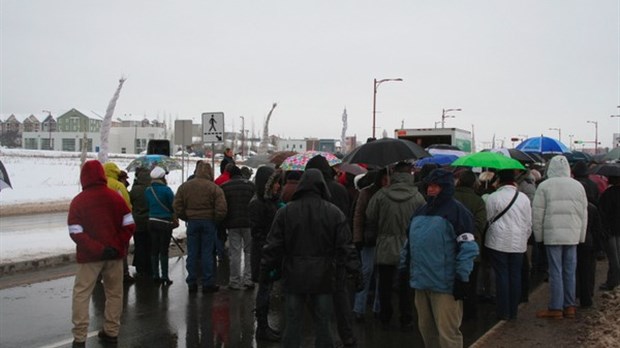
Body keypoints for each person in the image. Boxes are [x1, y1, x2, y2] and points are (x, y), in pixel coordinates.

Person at [260, 168, 361, 348]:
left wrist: (266, 270)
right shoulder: (334, 213)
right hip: (323, 277)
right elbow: (346, 246)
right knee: (323, 323)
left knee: (293, 322)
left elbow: (273, 246)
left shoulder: (285, 212)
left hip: (293, 275)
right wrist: (355, 270)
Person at [400, 169, 478, 348]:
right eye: (429, 185)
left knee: (447, 335)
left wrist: (462, 277)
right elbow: (409, 243)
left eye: (435, 186)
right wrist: (404, 267)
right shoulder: (420, 211)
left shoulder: (458, 212)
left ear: (445, 188)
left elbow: (468, 247)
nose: (430, 189)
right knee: (427, 332)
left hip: (445, 286)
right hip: (421, 283)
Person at [68, 160, 135, 347]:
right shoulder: (116, 198)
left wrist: (97, 248)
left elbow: (75, 231)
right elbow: (129, 225)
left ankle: (80, 337)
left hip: (89, 257)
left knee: (82, 294)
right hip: (114, 255)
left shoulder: (79, 201)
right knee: (114, 293)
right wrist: (115, 245)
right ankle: (111, 332)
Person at [366, 162, 425, 331]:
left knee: (384, 284)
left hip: (384, 245)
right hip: (408, 247)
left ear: (394, 174)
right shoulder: (417, 197)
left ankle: (385, 316)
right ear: (410, 174)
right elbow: (422, 220)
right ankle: (406, 318)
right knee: (406, 286)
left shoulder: (381, 195)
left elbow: (370, 216)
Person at [305, 155, 356, 345]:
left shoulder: (312, 192)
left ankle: (324, 335)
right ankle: (347, 335)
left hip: (315, 251)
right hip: (338, 249)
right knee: (340, 296)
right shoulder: (340, 189)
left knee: (318, 297)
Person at [533, 155, 588, 319]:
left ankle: (556, 307)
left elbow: (537, 214)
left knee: (555, 270)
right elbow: (583, 214)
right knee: (570, 270)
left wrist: (539, 237)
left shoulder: (544, 186)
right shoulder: (578, 186)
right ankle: (569, 306)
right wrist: (581, 236)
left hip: (553, 234)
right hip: (572, 234)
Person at [484, 169, 532, 320]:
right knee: (515, 275)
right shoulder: (523, 198)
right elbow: (528, 223)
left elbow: (488, 219)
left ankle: (503, 311)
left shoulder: (493, 197)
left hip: (497, 242)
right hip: (518, 243)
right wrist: (524, 238)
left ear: (499, 180)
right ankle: (513, 311)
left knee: (502, 276)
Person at [174, 161, 228, 293]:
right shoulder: (214, 188)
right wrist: (215, 219)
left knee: (192, 252)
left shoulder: (185, 187)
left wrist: (185, 216)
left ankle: (192, 281)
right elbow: (222, 208)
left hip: (192, 222)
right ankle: (207, 282)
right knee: (207, 253)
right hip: (208, 222)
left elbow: (177, 205)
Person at [248, 166, 283, 342]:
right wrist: (270, 248)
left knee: (266, 291)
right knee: (263, 291)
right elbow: (258, 233)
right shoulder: (258, 204)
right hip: (264, 255)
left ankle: (264, 327)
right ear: (266, 184)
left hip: (268, 254)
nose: (278, 186)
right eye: (275, 182)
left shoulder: (270, 201)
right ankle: (262, 328)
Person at [352, 169, 387, 322]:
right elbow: (358, 216)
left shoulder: (387, 193)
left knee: (381, 275)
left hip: (383, 239)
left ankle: (376, 308)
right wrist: (358, 238)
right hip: (370, 239)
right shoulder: (366, 193)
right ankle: (359, 308)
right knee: (367, 272)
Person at [453, 169, 487, 320]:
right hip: (473, 248)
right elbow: (480, 225)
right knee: (471, 283)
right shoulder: (479, 201)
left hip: (452, 246)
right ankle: (469, 314)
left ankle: (455, 313)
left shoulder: (450, 197)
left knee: (453, 282)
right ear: (474, 183)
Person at [221, 165, 256, 290]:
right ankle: (248, 279)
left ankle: (234, 280)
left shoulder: (225, 186)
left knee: (235, 252)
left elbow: (223, 206)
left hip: (232, 224)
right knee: (249, 252)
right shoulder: (251, 185)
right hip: (248, 223)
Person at [103, 162, 134, 283]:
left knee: (104, 249)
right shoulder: (118, 186)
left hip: (103, 224)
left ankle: (102, 275)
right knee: (121, 249)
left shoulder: (100, 184)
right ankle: (124, 274)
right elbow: (126, 205)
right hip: (117, 223)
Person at [144, 166, 176, 286]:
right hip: (165, 222)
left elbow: (147, 204)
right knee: (164, 250)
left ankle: (155, 275)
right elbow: (173, 207)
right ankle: (165, 276)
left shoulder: (148, 190)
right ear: (162, 177)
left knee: (154, 249)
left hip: (152, 221)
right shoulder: (167, 190)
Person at [129, 167, 152, 278]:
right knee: (150, 245)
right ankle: (150, 267)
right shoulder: (151, 188)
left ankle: (140, 267)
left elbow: (130, 201)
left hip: (137, 221)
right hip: (150, 220)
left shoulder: (135, 190)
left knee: (139, 245)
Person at [599, 174, 620, 291]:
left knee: (614, 259)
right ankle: (613, 281)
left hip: (610, 231)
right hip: (616, 230)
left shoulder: (607, 194)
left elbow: (603, 213)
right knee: (617, 258)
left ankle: (613, 282)